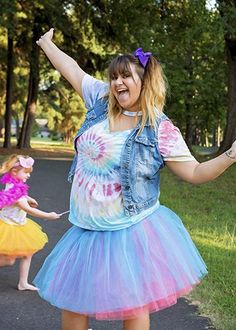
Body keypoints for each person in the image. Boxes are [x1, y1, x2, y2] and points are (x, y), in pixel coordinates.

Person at [34, 28, 236, 330]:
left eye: (126, 76)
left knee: (133, 304)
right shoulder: (100, 101)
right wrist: (47, 44)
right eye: (114, 77)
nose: (117, 83)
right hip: (86, 228)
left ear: (145, 81)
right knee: (74, 303)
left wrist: (230, 155)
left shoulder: (159, 128)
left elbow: (195, 172)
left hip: (131, 230)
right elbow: (72, 70)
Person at [0, 154, 61, 290]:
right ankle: (22, 282)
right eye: (26, 172)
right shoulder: (16, 195)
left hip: (18, 224)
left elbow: (22, 197)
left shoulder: (13, 184)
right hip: (10, 228)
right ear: (15, 172)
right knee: (8, 261)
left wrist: (29, 197)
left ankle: (23, 283)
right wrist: (49, 215)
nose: (28, 176)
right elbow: (29, 210)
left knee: (28, 254)